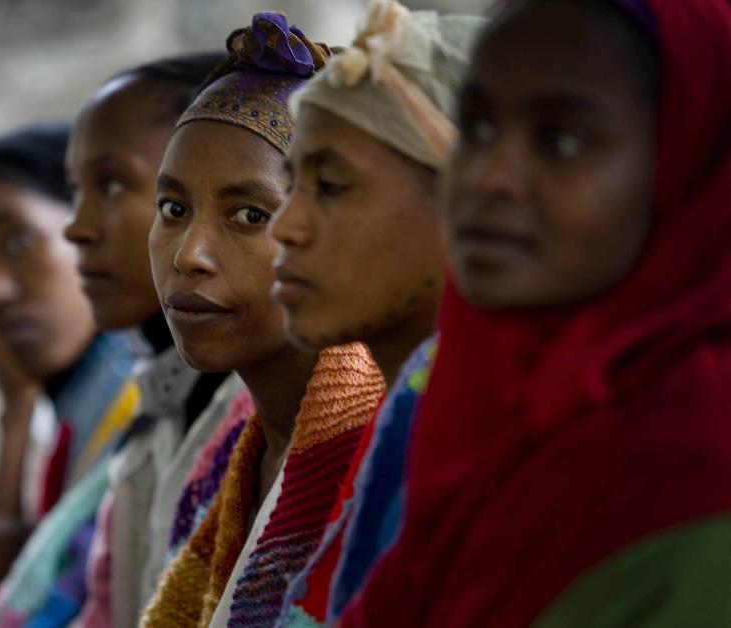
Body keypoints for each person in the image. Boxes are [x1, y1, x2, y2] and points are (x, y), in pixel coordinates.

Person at [340, 0, 731, 625]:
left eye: (562, 140)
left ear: (690, 158)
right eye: (476, 126)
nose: (490, 177)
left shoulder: (697, 469)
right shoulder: (492, 409)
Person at [140, 14, 384, 628]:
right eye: (173, 208)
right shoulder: (216, 465)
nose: (188, 255)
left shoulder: (382, 466)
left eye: (250, 215)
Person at [0, 53, 235, 628]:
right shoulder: (158, 408)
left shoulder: (256, 414)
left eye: (113, 184)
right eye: (76, 190)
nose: (78, 226)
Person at [266, 2, 483, 625]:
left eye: (331, 186)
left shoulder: (478, 446)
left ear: (464, 201)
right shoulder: (392, 429)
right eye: (291, 186)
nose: (287, 225)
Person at [0, 123, 140, 627]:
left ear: (93, 229)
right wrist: (15, 412)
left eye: (15, 242)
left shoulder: (149, 399)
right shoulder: (66, 417)